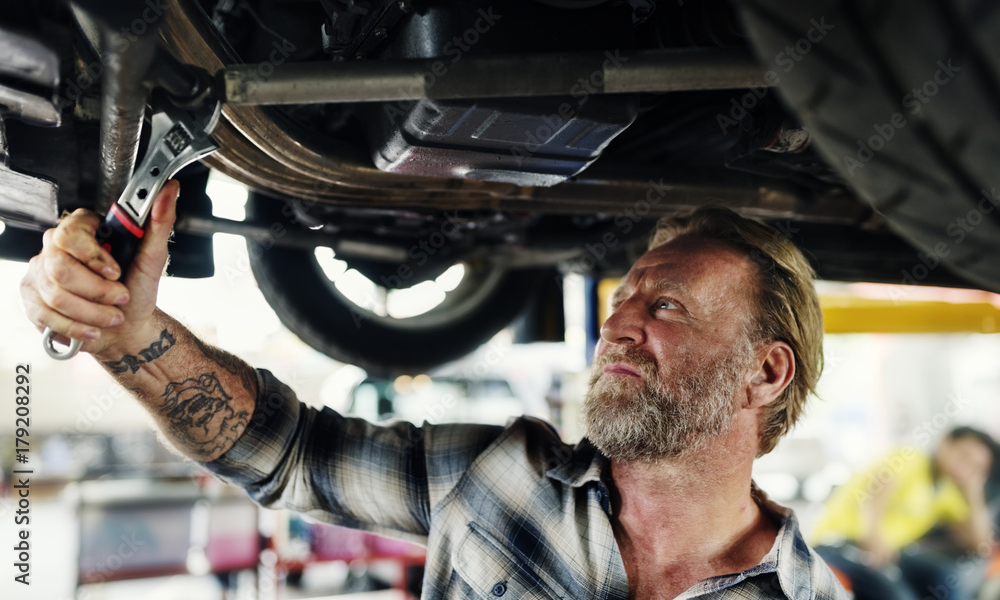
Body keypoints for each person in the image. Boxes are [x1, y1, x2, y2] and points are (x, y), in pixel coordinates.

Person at [20, 182, 848, 599]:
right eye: (622, 298)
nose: (619, 325)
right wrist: (127, 336)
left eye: (663, 304)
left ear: (766, 371)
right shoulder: (497, 475)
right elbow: (290, 451)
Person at [812, 427, 997, 600]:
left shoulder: (947, 492)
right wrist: (874, 537)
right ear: (945, 444)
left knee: (945, 577)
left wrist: (973, 493)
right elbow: (875, 496)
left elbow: (980, 544)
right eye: (964, 456)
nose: (966, 467)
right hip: (839, 543)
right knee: (899, 595)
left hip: (889, 553)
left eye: (976, 467)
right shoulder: (910, 458)